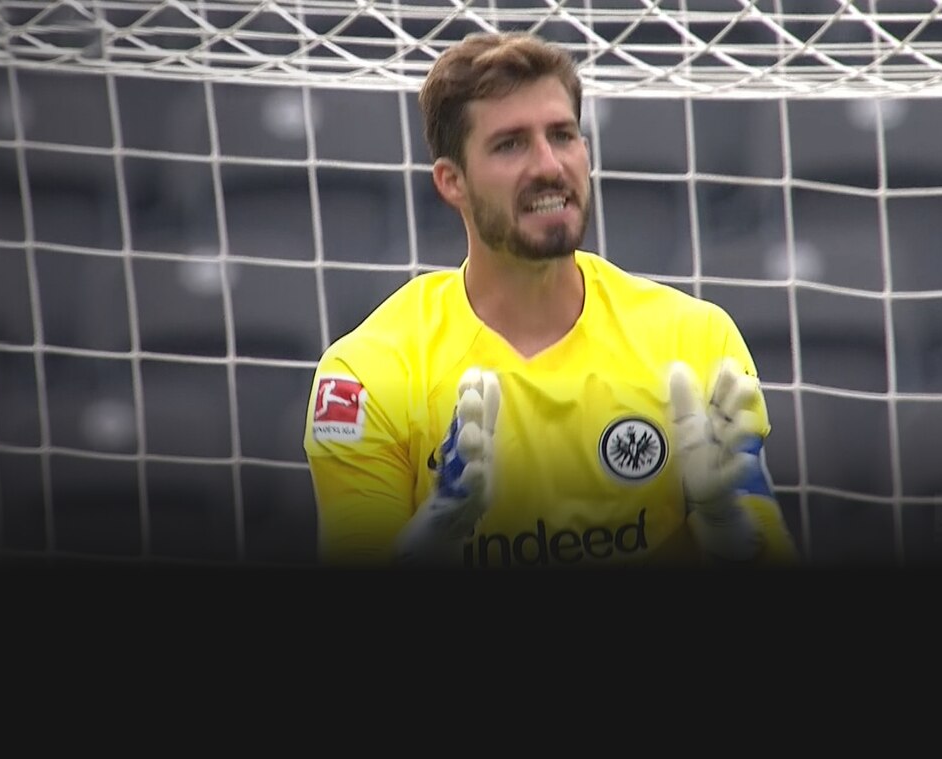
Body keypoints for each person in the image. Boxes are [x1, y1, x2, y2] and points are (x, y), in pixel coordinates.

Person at [302, 30, 800, 569]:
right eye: (510, 144)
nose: (548, 165)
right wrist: (434, 538)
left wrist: (732, 533)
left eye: (562, 135)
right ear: (452, 182)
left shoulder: (694, 339)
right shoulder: (367, 372)